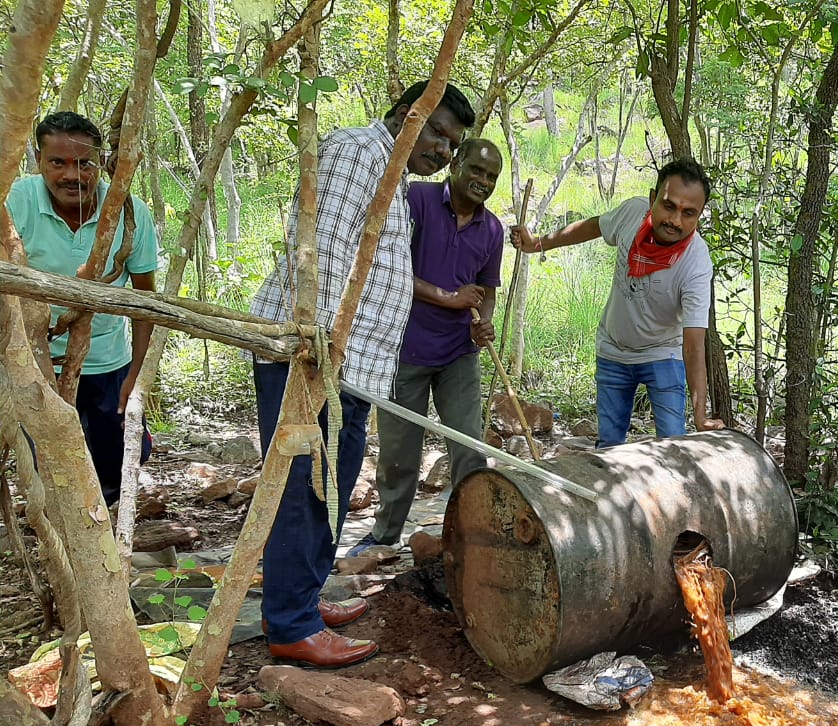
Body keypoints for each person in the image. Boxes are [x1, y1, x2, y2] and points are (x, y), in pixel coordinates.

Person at [251, 82, 474, 668]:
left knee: (332, 489)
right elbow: (320, 256)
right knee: (302, 492)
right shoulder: (357, 153)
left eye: (452, 144)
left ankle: (303, 599)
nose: (443, 151)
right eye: (436, 133)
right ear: (405, 115)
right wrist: (319, 359)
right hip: (315, 362)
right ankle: (290, 626)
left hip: (352, 372)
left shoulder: (392, 175)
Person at [348, 138, 503, 557]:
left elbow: (486, 288)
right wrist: (447, 297)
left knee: (469, 446)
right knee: (399, 455)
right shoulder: (417, 198)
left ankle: (469, 538)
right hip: (404, 347)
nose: (482, 181)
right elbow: (389, 265)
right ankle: (385, 534)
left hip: (458, 354)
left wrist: (483, 321)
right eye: (476, 170)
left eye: (491, 177)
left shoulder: (491, 229)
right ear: (456, 164)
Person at [510, 156, 724, 447]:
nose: (675, 220)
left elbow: (694, 343)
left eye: (689, 213)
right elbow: (595, 226)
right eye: (669, 206)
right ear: (652, 199)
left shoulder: (696, 262)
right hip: (614, 350)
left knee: (674, 445)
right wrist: (538, 243)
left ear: (699, 216)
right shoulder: (633, 214)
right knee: (609, 448)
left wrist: (700, 417)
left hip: (662, 353)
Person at [6, 110, 158, 506]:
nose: (72, 175)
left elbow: (145, 303)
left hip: (107, 360)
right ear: (39, 161)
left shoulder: (129, 212)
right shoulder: (16, 201)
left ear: (100, 164)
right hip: (36, 359)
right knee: (51, 458)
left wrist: (136, 379)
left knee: (120, 455)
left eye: (84, 163)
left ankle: (108, 516)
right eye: (58, 162)